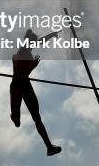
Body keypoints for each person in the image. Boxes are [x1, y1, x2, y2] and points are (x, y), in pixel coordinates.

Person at [10, 28, 62, 156]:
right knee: (16, 119)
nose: (36, 44)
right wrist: (32, 65)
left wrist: (51, 34)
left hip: (25, 85)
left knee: (37, 118)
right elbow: (38, 42)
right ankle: (15, 117)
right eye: (33, 42)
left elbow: (39, 42)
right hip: (17, 85)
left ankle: (49, 147)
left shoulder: (28, 53)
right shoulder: (23, 50)